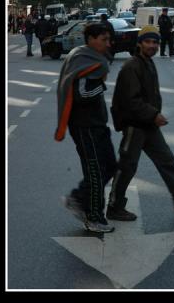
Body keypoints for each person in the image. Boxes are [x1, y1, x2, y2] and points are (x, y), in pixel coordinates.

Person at [106, 25, 174, 221]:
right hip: (135, 125)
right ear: (140, 43)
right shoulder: (132, 66)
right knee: (127, 166)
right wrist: (154, 115)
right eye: (148, 41)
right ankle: (114, 206)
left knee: (166, 160)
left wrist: (153, 116)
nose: (152, 45)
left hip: (148, 124)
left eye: (155, 42)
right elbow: (131, 101)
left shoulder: (147, 63)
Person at [55, 23, 117, 233]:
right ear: (90, 38)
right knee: (95, 172)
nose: (107, 43)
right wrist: (102, 84)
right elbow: (81, 94)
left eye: (109, 39)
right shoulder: (83, 57)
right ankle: (93, 217)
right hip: (85, 126)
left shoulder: (91, 58)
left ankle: (78, 198)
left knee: (110, 166)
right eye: (103, 39)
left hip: (97, 123)